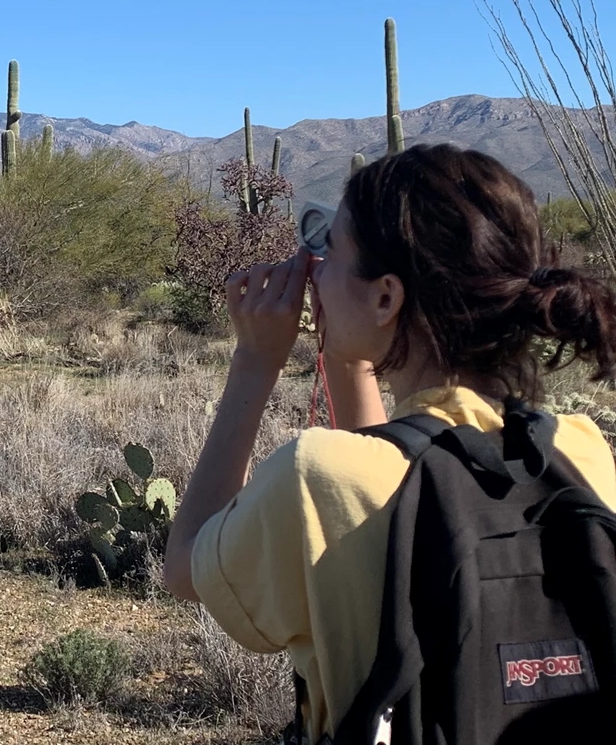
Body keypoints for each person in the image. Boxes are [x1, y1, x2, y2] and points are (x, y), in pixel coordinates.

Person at [161, 143, 616, 742]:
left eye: (332, 251)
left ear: (385, 297)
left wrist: (253, 362)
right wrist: (351, 358)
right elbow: (401, 467)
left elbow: (187, 569)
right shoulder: (581, 452)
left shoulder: (316, 474)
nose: (315, 269)